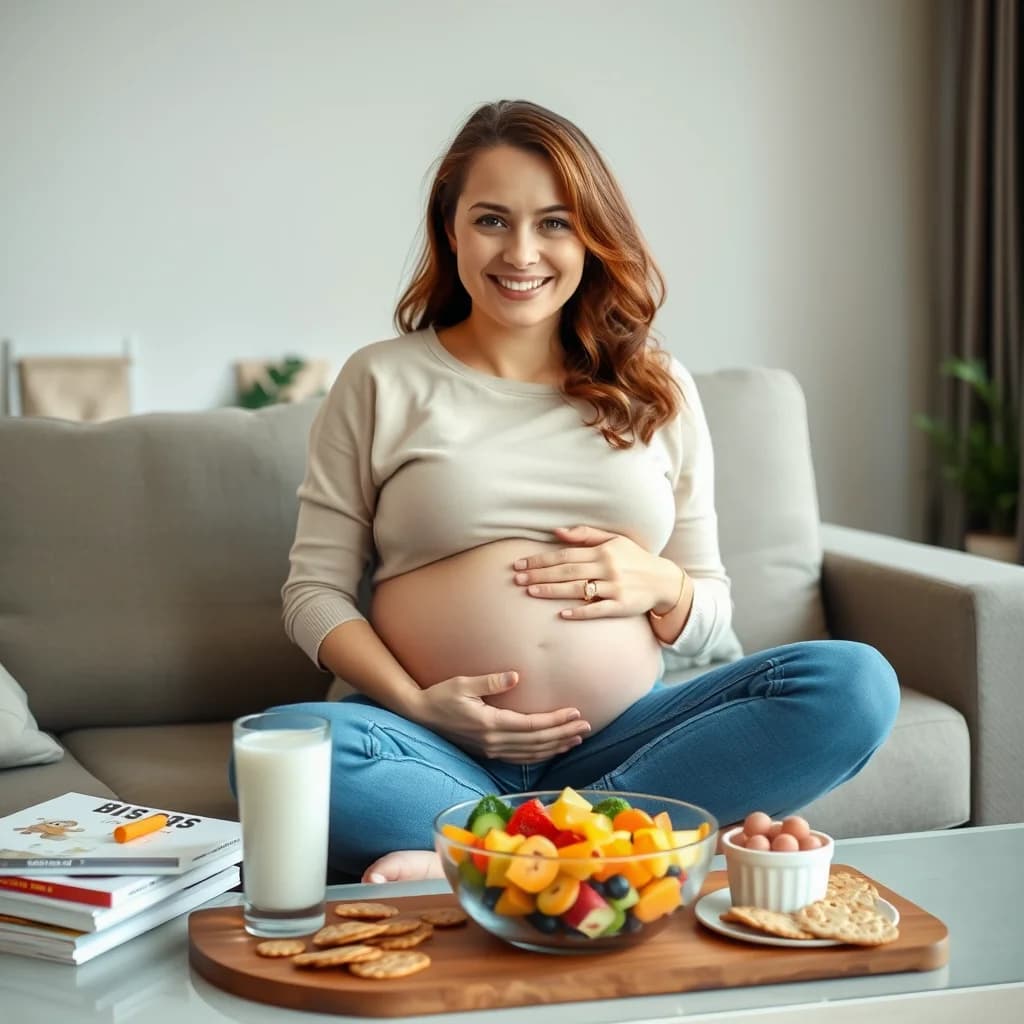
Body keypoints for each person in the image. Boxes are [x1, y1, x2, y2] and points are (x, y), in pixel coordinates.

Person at [275, 99, 899, 884]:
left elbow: (710, 612)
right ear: (451, 230)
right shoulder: (381, 380)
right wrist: (414, 701)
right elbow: (313, 594)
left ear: (591, 234)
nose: (522, 252)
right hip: (435, 743)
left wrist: (662, 584)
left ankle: (495, 856)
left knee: (855, 685)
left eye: (556, 223)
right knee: (284, 747)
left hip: (629, 740)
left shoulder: (656, 386)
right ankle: (610, 851)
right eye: (492, 221)